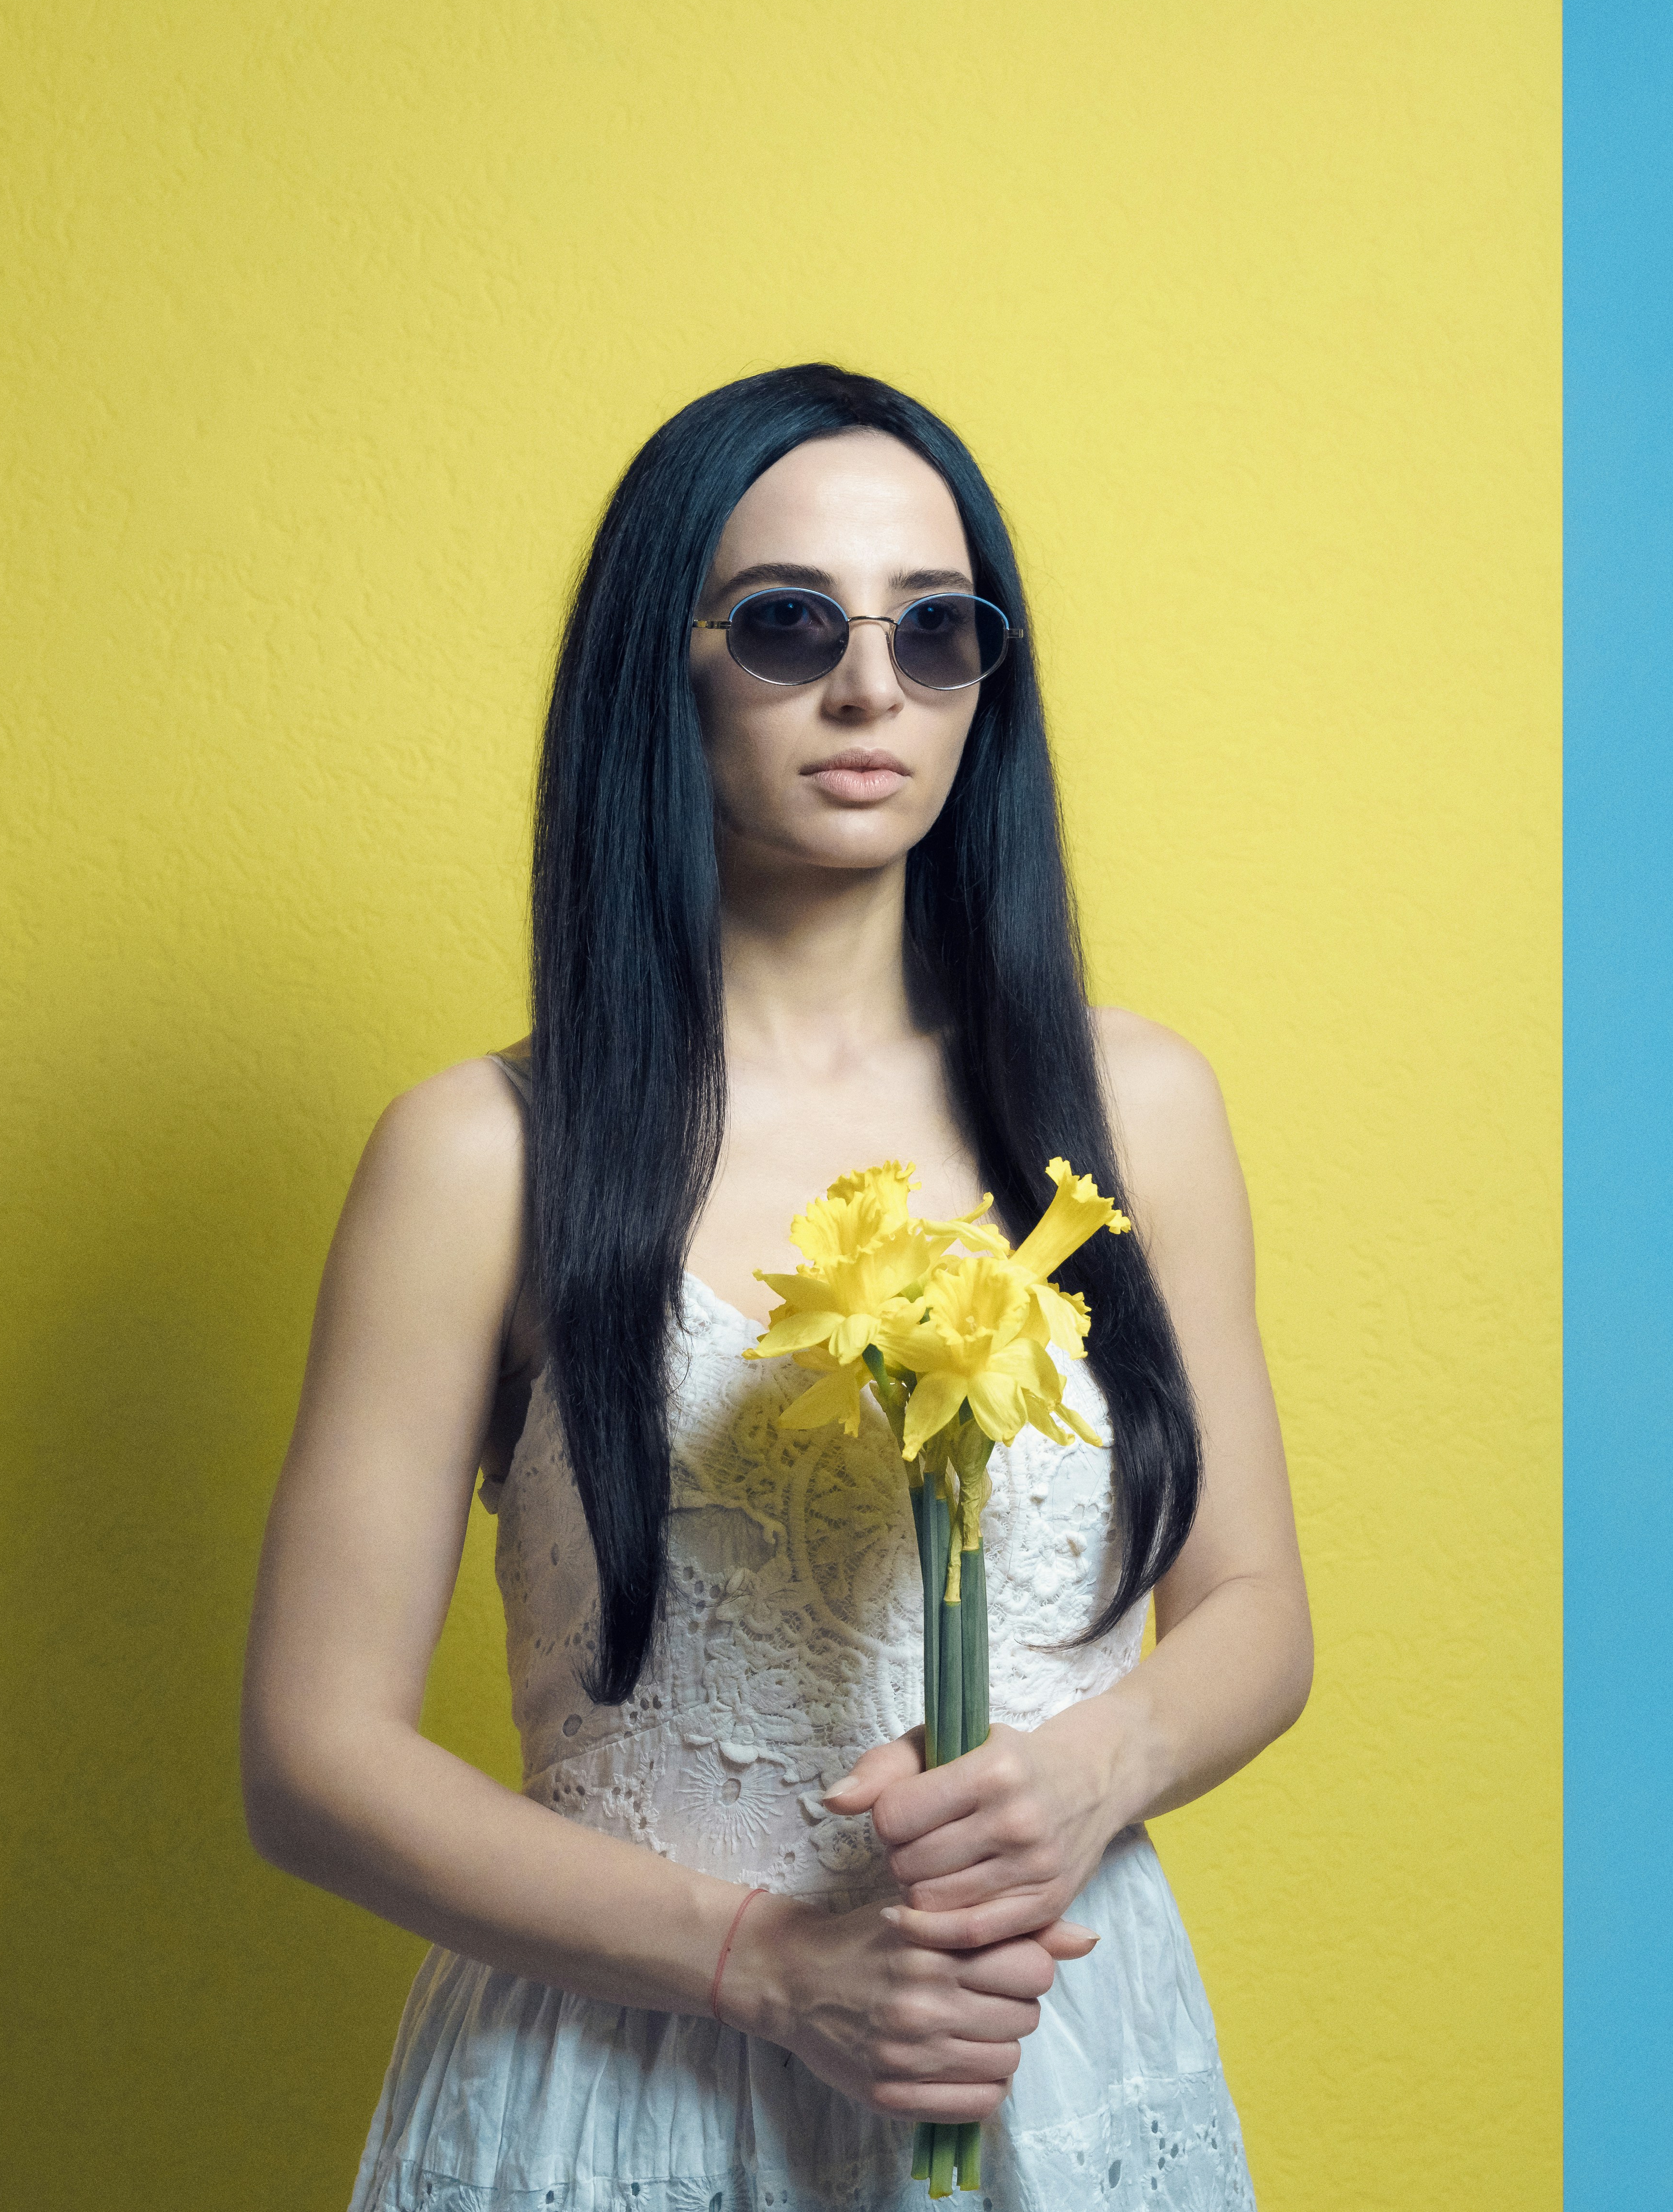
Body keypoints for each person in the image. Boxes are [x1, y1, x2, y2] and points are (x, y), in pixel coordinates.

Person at [241, 363, 1312, 2210]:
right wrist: (766, 1967)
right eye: (789, 622)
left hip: (1046, 2055)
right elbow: (311, 1755)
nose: (871, 686)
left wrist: (1090, 1770)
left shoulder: (1134, 1108)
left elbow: (1252, 1605)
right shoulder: (483, 1156)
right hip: (624, 2076)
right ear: (661, 665)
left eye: (939, 628)